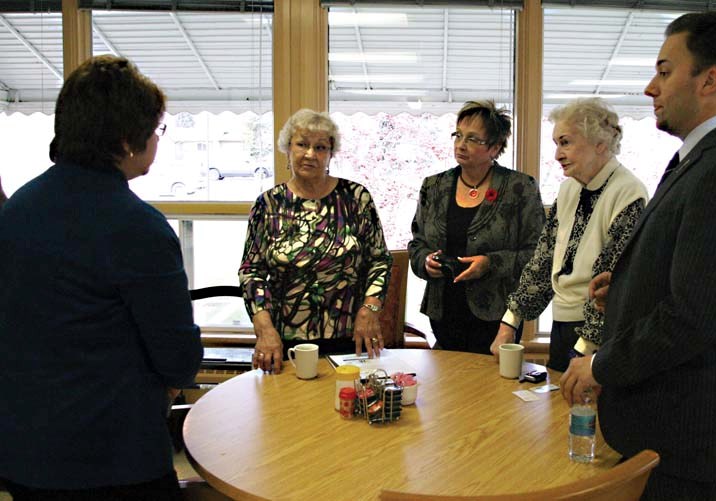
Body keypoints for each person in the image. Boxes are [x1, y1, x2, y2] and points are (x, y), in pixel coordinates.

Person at [560, 13, 716, 500]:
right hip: (669, 429)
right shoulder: (706, 156)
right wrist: (622, 289)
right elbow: (696, 275)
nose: (650, 87)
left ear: (710, 79)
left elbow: (695, 316)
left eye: (664, 71)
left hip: (687, 437)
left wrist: (599, 365)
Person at [0, 56, 203, 499]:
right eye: (156, 128)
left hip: (23, 452)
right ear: (130, 140)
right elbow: (179, 358)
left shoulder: (14, 213)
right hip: (113, 461)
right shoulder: (137, 227)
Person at [490, 98, 648, 372]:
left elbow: (613, 285)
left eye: (566, 142)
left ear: (600, 142)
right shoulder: (569, 189)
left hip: (601, 334)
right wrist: (509, 324)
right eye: (556, 144)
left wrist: (582, 352)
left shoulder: (629, 194)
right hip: (562, 326)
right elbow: (544, 260)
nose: (557, 155)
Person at [240, 109, 392, 374]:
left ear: (330, 153)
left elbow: (379, 260)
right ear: (288, 148)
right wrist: (264, 329)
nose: (310, 154)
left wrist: (370, 310)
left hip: (351, 337)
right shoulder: (268, 205)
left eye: (320, 147)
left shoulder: (356, 197)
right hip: (285, 342)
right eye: (302, 144)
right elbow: (251, 272)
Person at [408, 100, 545, 354]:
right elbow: (417, 243)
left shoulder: (520, 188)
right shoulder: (434, 186)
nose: (461, 145)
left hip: (497, 317)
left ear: (495, 148)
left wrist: (490, 264)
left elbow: (538, 254)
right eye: (458, 135)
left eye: (473, 139)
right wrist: (425, 261)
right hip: (443, 312)